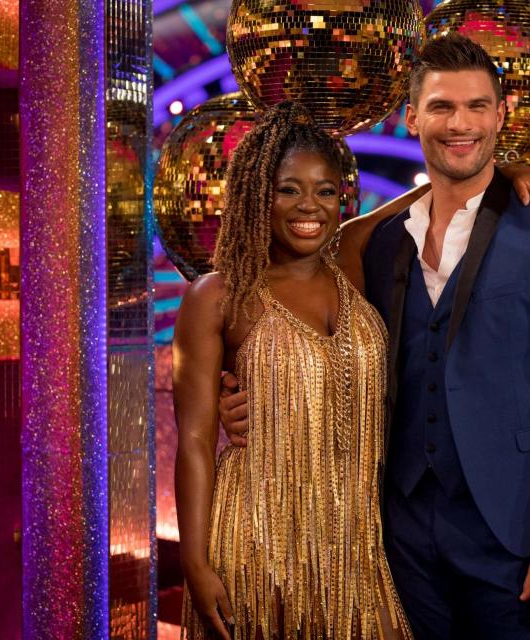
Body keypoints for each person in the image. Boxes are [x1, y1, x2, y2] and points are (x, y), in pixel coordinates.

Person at [219, 34, 530, 640]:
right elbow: (313, 334)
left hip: (513, 537)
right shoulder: (381, 245)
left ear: (501, 114)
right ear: (411, 117)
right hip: (395, 539)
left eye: (477, 106)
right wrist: (247, 396)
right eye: (441, 107)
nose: (460, 123)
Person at [174, 102, 415, 640]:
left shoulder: (352, 260)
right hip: (256, 543)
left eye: (325, 191)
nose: (310, 206)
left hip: (357, 546)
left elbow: (427, 195)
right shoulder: (218, 295)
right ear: (258, 194)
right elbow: (193, 440)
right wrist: (194, 563)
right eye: (288, 189)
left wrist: (500, 171)